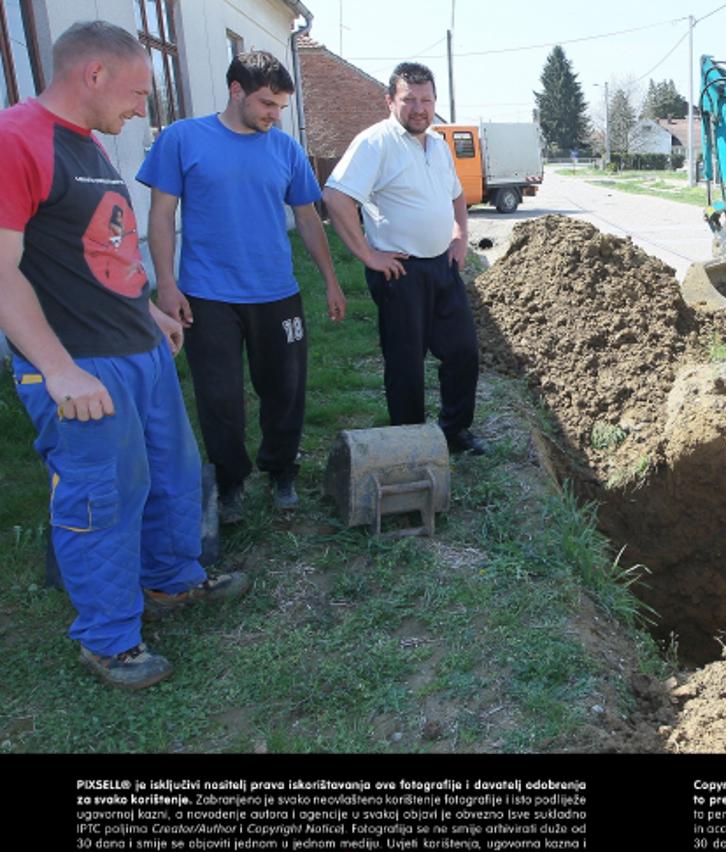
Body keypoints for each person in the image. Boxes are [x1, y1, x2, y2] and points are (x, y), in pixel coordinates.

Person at [0, 21, 247, 690]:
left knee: (171, 474)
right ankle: (108, 639)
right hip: (81, 364)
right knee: (102, 496)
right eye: (138, 93)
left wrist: (149, 312)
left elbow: (101, 251)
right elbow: (2, 270)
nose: (142, 109)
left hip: (138, 349)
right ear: (94, 75)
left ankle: (171, 581)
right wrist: (57, 369)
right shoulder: (17, 139)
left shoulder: (86, 143)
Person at [138, 51, 346, 523]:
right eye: (267, 104)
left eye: (280, 107)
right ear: (236, 91)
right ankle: (229, 482)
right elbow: (161, 216)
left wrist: (331, 280)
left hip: (276, 292)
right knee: (219, 397)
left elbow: (307, 217)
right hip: (207, 295)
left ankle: (281, 470)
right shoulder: (182, 139)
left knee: (285, 389)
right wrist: (165, 284)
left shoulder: (285, 149)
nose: (275, 115)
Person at [322, 62, 486, 455]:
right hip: (400, 272)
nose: (419, 109)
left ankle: (454, 432)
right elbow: (335, 197)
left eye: (426, 100)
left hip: (443, 267)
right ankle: (411, 443)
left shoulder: (438, 145)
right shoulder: (375, 143)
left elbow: (456, 195)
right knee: (406, 363)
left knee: (463, 351)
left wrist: (460, 236)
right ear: (390, 101)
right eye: (409, 100)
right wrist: (368, 255)